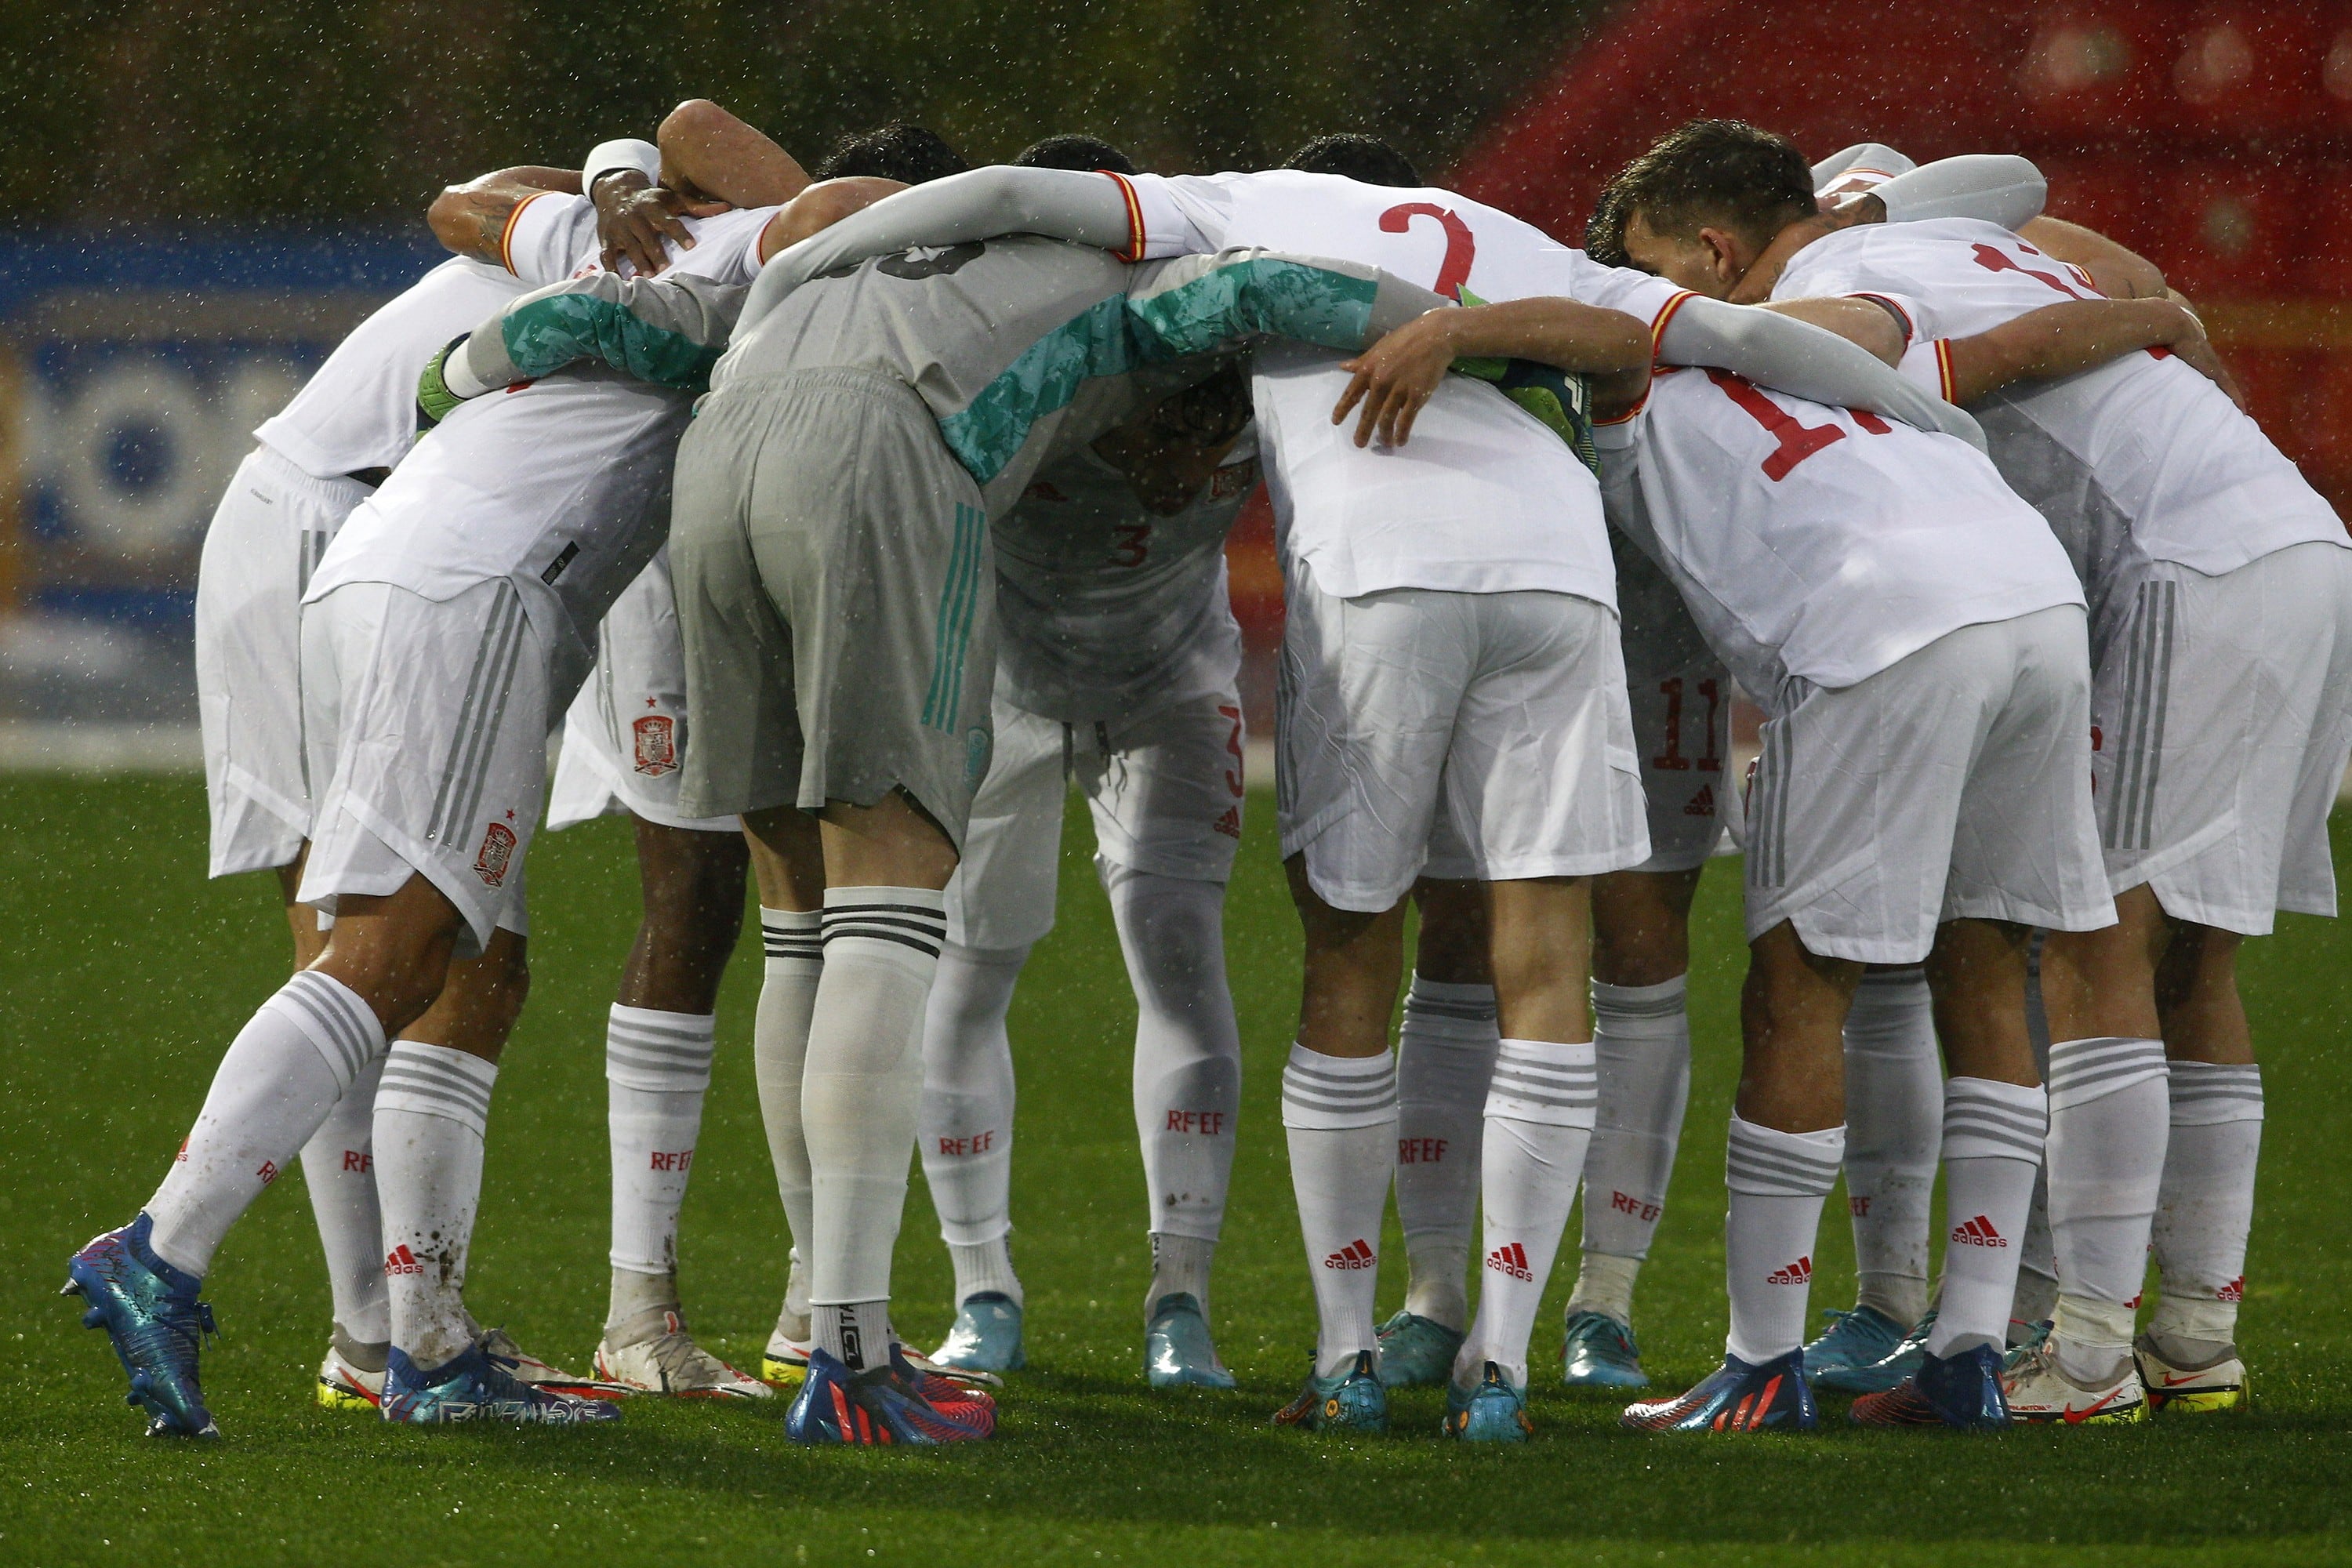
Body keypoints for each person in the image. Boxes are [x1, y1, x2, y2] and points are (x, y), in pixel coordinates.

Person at [750, 142, 1984, 1439]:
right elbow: (1743, 341)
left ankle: (1345, 1358)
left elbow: (1003, 196)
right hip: (1556, 584)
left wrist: (803, 265)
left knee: (1350, 954)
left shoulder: (1241, 204)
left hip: (1380, 572)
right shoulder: (1536, 247)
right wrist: (1939, 427)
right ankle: (1499, 1364)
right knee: (1549, 967)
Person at [437, 200, 1472, 1441]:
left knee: (798, 917)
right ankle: (854, 1355)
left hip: (720, 463)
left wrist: (445, 393)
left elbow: (576, 316)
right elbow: (1283, 296)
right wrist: (1477, 333)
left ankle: (815, 1313)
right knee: (891, 897)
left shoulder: (832, 271)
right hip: (886, 464)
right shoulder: (1132, 281)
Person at [61, 132, 835, 1432]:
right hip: (440, 567)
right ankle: (174, 1253)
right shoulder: (716, 253)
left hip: (372, 551)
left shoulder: (604, 236)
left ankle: (399, 1333)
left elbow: (469, 218)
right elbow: (804, 201)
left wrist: (609, 181)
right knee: (393, 951)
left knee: (419, 954)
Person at [1718, 126, 2352, 1421]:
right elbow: (2140, 295)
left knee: (2092, 947)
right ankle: (2190, 1335)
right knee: (2196, 957)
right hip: (2295, 539)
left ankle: (2086, 1352)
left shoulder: (1831, 287)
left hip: (2186, 566)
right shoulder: (2008, 245)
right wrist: (2177, 324)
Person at [907, 135, 1255, 1392]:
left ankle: (1182, 1298)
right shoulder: (999, 363)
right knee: (966, 977)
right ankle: (979, 1287)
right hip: (999, 684)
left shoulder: (1233, 318)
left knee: (1180, 960)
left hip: (1171, 682)